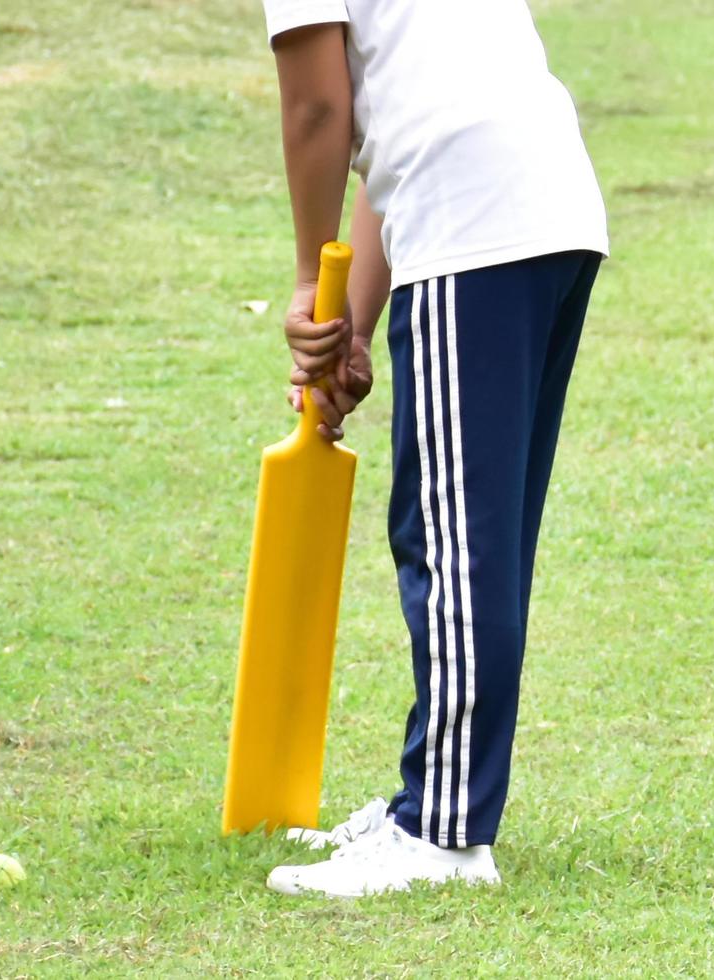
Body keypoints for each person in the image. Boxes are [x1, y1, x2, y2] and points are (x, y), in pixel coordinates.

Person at [259, 0, 609, 898]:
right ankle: (431, 799)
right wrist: (350, 327)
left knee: (456, 543)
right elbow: (397, 140)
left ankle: (444, 836)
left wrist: (308, 278)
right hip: (539, 203)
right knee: (469, 530)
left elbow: (318, 112)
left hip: (475, 218)